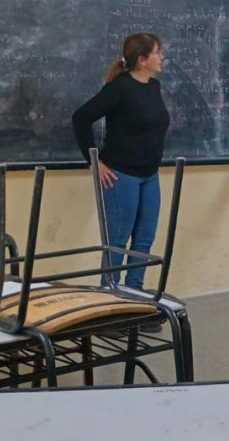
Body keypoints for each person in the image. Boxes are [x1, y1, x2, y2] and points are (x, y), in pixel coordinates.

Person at [72, 32, 170, 299]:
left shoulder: (154, 86)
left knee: (144, 239)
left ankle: (134, 295)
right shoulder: (119, 88)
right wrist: (95, 162)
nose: (162, 57)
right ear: (142, 59)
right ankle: (111, 299)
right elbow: (81, 117)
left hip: (149, 175)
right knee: (117, 243)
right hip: (120, 176)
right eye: (157, 52)